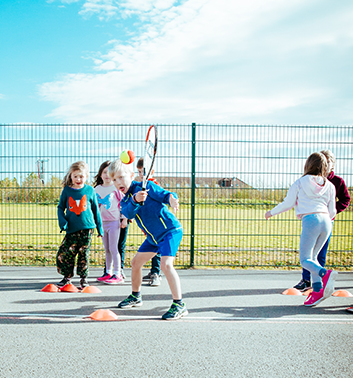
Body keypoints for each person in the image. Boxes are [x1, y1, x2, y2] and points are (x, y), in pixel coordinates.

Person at [109, 158, 188, 320]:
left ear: (132, 175)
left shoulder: (148, 186)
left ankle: (179, 304)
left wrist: (172, 199)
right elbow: (129, 212)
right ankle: (136, 296)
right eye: (114, 179)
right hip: (153, 238)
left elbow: (166, 195)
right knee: (136, 263)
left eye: (121, 177)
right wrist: (135, 200)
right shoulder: (125, 200)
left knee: (166, 264)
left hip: (170, 231)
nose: (118, 182)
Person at [265, 152, 337, 307]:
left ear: (307, 165)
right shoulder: (330, 185)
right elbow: (333, 210)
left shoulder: (300, 182)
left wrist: (271, 212)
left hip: (311, 220)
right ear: (325, 167)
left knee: (305, 259)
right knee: (314, 258)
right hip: (327, 221)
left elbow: (288, 203)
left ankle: (326, 274)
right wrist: (326, 220)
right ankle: (317, 291)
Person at [293, 150, 351, 292]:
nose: (324, 164)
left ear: (332, 165)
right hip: (312, 219)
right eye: (322, 161)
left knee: (320, 253)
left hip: (327, 221)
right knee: (308, 252)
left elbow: (345, 199)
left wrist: (333, 210)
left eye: (328, 161)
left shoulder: (337, 182)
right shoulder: (311, 180)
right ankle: (306, 280)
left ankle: (320, 281)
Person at [56, 161, 103, 289]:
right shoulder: (67, 190)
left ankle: (83, 279)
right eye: (75, 176)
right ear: (71, 175)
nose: (78, 179)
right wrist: (63, 221)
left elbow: (95, 210)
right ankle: (67, 277)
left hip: (87, 229)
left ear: (86, 176)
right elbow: (60, 207)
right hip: (71, 228)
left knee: (83, 253)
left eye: (81, 176)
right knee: (66, 253)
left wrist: (100, 228)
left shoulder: (90, 190)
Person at [94, 160, 126, 284]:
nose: (106, 175)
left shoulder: (115, 188)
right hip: (102, 223)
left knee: (114, 248)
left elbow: (124, 203)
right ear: (100, 174)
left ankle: (118, 274)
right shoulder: (96, 189)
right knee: (106, 249)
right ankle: (108, 272)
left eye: (109, 173)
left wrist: (124, 218)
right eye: (104, 172)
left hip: (114, 222)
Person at [136, 157, 162, 287]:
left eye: (144, 171)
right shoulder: (140, 186)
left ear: (152, 171)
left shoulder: (153, 185)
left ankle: (156, 273)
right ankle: (153, 270)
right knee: (152, 246)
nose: (141, 175)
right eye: (139, 172)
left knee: (155, 247)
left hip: (156, 224)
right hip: (148, 224)